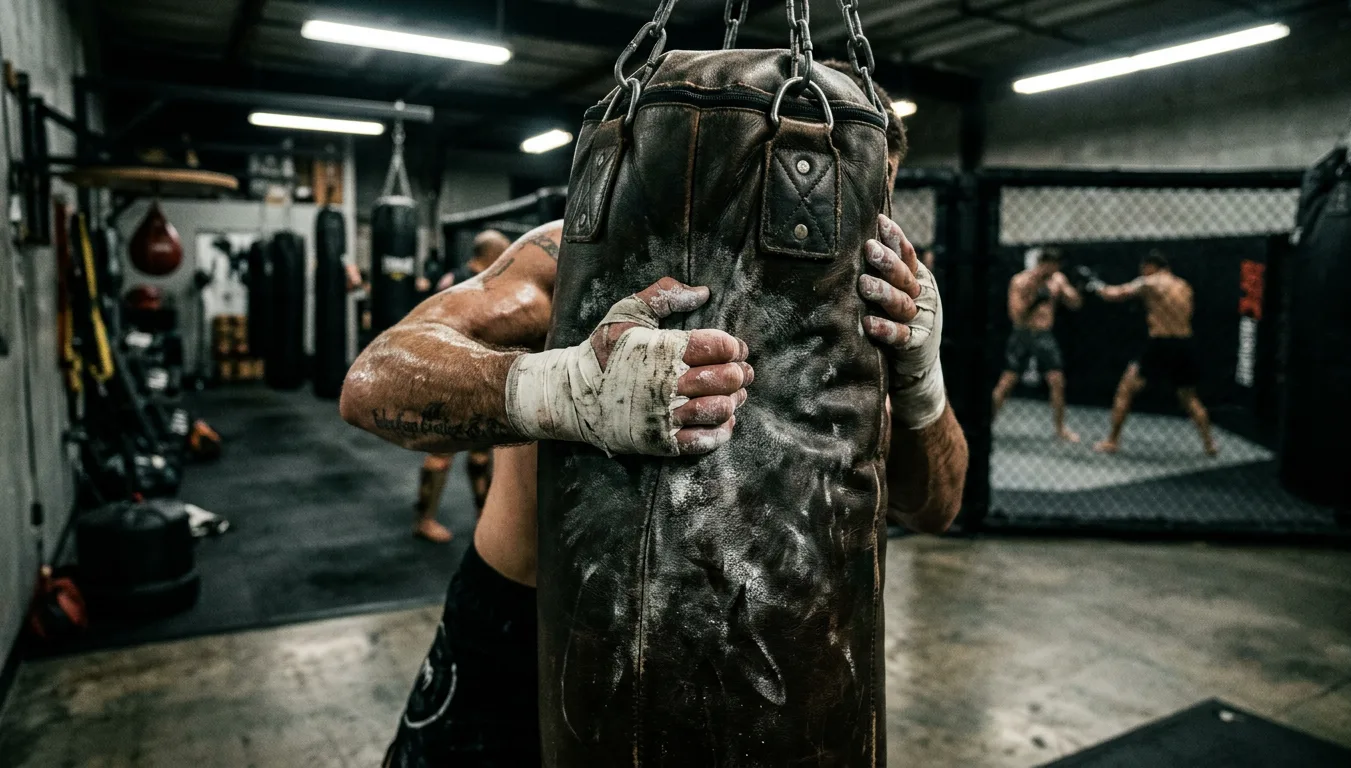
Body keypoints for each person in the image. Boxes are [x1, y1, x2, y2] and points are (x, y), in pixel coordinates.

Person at [342, 69, 968, 768]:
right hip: (537, 631)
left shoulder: (874, 297)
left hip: (772, 662)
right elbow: (375, 380)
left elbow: (937, 506)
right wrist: (564, 389)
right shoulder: (578, 257)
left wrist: (919, 378)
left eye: (864, 197)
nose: (839, 215)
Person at [410, 229, 512, 544]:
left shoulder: (460, 279)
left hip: (476, 378)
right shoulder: (466, 285)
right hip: (450, 380)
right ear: (493, 257)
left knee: (481, 454)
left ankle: (482, 515)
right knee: (442, 453)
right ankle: (423, 520)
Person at [1088, 250, 1218, 456]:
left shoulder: (1150, 282)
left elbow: (1114, 294)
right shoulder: (1184, 286)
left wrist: (1095, 286)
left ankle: (1112, 441)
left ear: (1150, 266)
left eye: (1144, 269)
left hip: (1160, 344)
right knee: (1189, 397)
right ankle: (1210, 445)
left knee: (1125, 389)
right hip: (1184, 343)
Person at [991, 247, 1083, 442]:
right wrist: (1036, 300)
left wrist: (1077, 289)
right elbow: (1015, 315)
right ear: (1042, 264)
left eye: (1056, 267)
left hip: (1044, 336)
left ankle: (1060, 429)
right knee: (1007, 383)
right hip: (1023, 334)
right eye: (1051, 266)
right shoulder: (1021, 281)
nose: (1053, 271)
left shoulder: (1057, 279)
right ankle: (987, 424)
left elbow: (1075, 304)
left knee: (1057, 381)